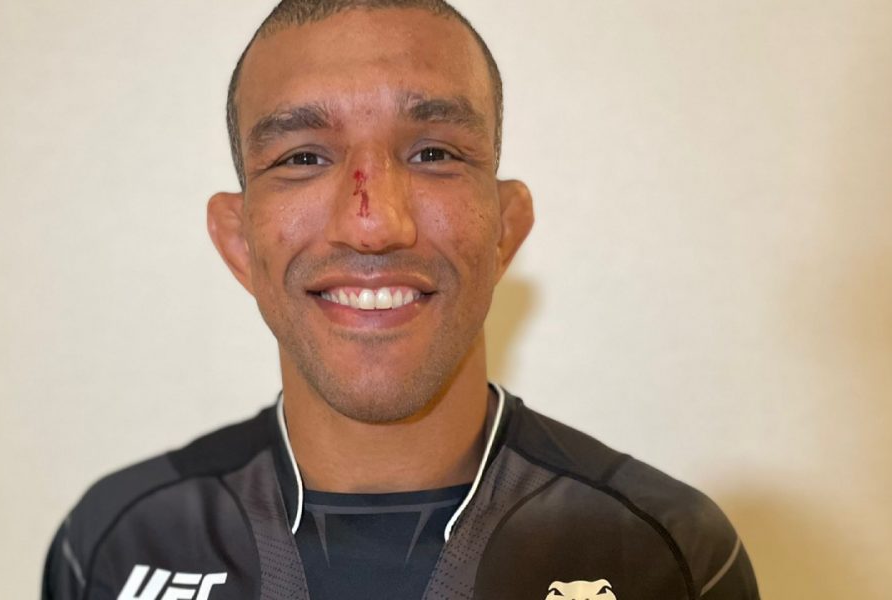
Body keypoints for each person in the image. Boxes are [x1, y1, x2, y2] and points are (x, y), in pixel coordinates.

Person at [42, 1, 759, 599]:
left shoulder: (667, 551)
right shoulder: (114, 542)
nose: (374, 223)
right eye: (302, 158)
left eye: (433, 154)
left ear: (505, 229)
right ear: (238, 243)